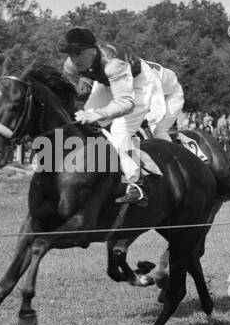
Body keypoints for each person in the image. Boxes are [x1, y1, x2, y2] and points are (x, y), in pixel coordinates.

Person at [59, 26, 157, 205]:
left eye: (79, 53)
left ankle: (137, 184)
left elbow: (126, 103)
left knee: (120, 129)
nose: (75, 59)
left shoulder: (113, 64)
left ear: (92, 50)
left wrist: (98, 114)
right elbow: (66, 95)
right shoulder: (70, 65)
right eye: (71, 54)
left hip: (138, 84)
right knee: (84, 122)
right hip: (108, 83)